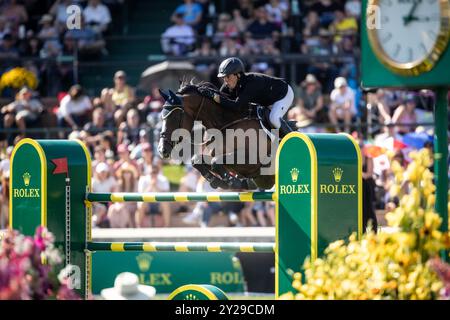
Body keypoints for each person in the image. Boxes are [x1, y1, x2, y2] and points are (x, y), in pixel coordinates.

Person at [196, 57, 294, 137]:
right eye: (223, 77)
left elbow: (235, 105)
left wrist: (214, 97)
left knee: (274, 118)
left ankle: (294, 140)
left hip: (283, 94)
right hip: (267, 100)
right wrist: (209, 95)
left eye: (228, 77)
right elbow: (220, 101)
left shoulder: (250, 84)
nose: (225, 81)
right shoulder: (229, 84)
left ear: (238, 75)